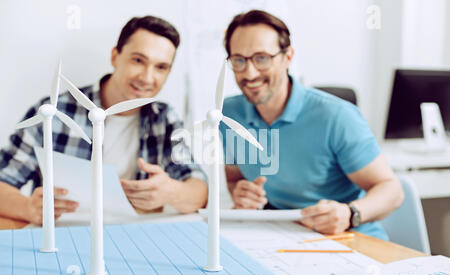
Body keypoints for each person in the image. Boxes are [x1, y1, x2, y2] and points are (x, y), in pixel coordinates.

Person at [0, 16, 207, 225]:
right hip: (63, 237)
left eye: (161, 67)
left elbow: (199, 189)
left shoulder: (163, 117)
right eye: (138, 60)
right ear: (115, 56)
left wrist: (171, 192)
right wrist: (28, 208)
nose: (147, 77)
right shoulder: (55, 111)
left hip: (131, 238)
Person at [219, 10, 404, 240]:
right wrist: (240, 193)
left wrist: (349, 213)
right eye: (239, 60)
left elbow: (392, 190)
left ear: (288, 57)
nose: (250, 72)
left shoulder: (336, 116)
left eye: (262, 58)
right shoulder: (229, 113)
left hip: (348, 238)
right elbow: (234, 177)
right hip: (281, 238)